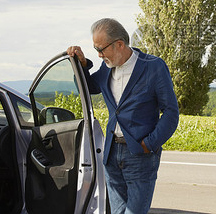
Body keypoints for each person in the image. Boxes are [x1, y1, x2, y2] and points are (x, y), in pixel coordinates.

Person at [68, 18, 179, 214]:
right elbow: (88, 88)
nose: (100, 55)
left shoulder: (153, 67)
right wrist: (82, 64)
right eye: (96, 50)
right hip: (111, 154)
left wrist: (149, 144)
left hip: (140, 154)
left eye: (101, 49)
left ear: (119, 44)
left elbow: (171, 112)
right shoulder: (107, 67)